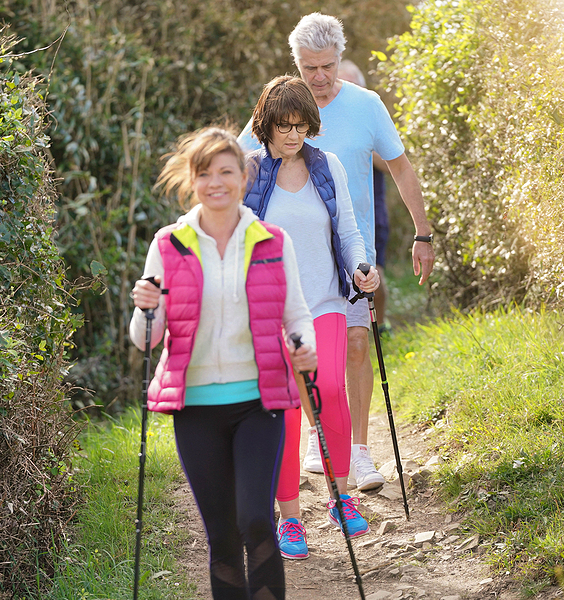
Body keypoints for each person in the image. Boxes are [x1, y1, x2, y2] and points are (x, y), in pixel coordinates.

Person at [238, 13, 435, 492]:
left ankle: (361, 453)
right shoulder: (282, 110)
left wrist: (423, 233)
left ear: (340, 60)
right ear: (297, 65)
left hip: (353, 254)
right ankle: (317, 434)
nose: (320, 77)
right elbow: (238, 160)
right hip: (297, 261)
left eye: (327, 66)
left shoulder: (367, 106)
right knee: (311, 358)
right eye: (310, 68)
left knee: (357, 344)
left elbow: (403, 170)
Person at [129, 126, 317, 599]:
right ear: (192, 181)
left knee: (255, 518)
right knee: (222, 536)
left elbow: (296, 314)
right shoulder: (168, 244)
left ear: (243, 175)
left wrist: (303, 346)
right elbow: (144, 340)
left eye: (226, 172)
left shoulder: (272, 240)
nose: (217, 182)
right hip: (195, 407)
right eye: (205, 173)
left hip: (260, 398)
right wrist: (144, 307)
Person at [243, 75, 380, 560]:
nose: (293, 135)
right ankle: (290, 520)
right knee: (286, 410)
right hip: (271, 312)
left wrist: (362, 267)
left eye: (301, 125)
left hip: (325, 301)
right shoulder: (250, 172)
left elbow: (348, 230)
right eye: (284, 126)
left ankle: (340, 498)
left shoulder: (329, 167)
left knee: (331, 394)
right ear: (266, 125)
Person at [336, 60, 392, 336]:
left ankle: (380, 325)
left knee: (375, 268)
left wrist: (362, 148)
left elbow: (392, 163)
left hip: (372, 206)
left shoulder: (370, 114)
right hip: (338, 212)